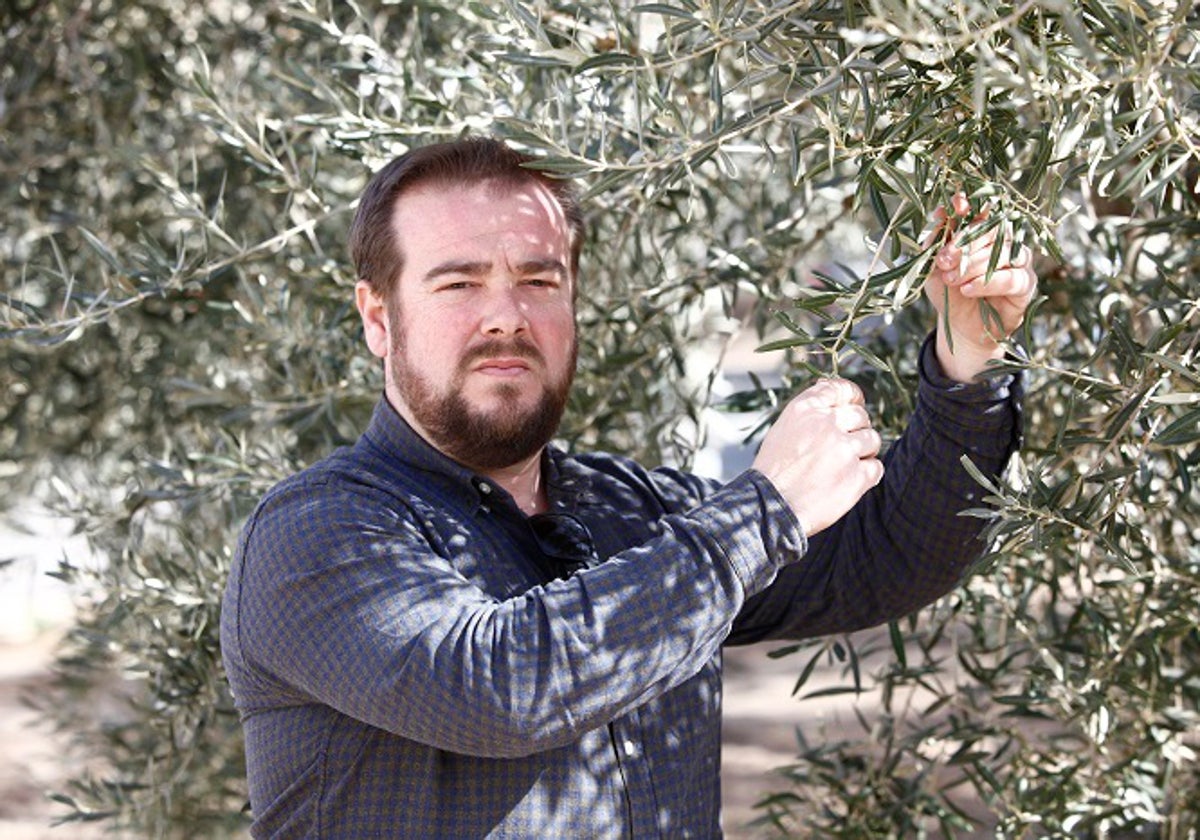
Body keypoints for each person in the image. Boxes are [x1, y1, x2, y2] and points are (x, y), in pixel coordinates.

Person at [220, 137, 1037, 838]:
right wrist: (763, 508)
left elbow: (892, 555)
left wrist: (969, 362)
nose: (505, 316)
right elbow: (502, 688)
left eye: (539, 280)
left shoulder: (628, 512)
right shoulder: (316, 533)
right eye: (458, 282)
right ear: (378, 316)